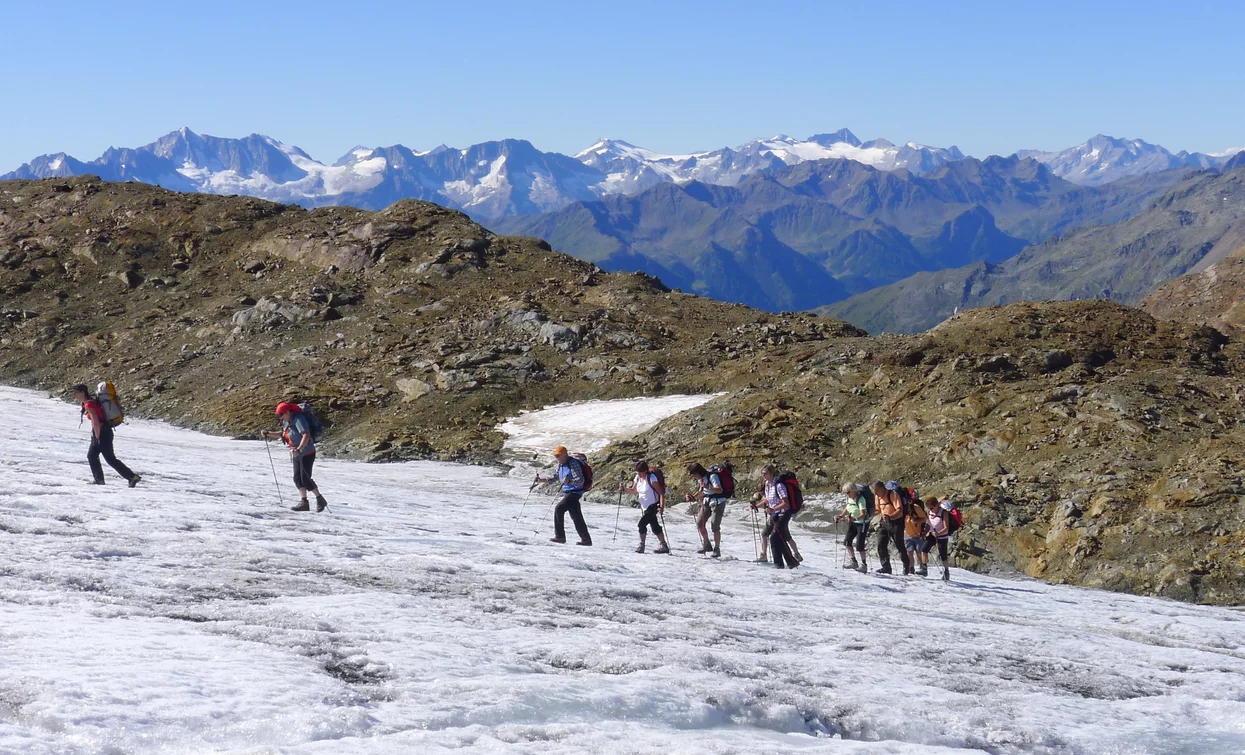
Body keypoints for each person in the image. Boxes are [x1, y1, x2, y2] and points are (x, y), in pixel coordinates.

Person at [261, 402, 327, 512]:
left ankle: (320, 499)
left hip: (306, 453)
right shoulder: (288, 421)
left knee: (305, 478)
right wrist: (268, 433)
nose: (280, 418)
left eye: (281, 415)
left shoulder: (299, 419)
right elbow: (283, 434)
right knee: (297, 479)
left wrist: (300, 448)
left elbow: (306, 434)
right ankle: (304, 502)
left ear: (288, 412)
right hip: (296, 453)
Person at [72, 383, 140, 487]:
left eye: (76, 392)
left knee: (106, 458)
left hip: (101, 432)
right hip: (105, 431)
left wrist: (97, 437)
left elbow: (95, 422)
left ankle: (131, 477)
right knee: (95, 456)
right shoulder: (91, 402)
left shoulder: (89, 404)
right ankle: (102, 480)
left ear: (82, 392)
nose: (74, 394)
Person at [534, 446, 592, 546]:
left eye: (558, 455)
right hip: (568, 492)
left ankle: (560, 536)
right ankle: (586, 540)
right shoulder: (561, 465)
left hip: (574, 492)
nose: (556, 458)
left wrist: (570, 481)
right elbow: (555, 478)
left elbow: (580, 480)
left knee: (559, 509)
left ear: (564, 454)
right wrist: (541, 480)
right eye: (555, 456)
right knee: (576, 516)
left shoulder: (573, 464)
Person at [620, 460, 669, 554]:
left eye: (640, 472)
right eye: (637, 471)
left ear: (645, 471)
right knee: (655, 527)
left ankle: (641, 546)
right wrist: (624, 489)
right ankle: (664, 545)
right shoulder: (637, 478)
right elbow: (634, 491)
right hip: (644, 507)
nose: (639, 473)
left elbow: (661, 493)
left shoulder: (652, 478)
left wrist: (662, 507)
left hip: (653, 506)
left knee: (641, 525)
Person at [760, 465, 798, 569]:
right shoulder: (767, 484)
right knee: (779, 538)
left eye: (766, 473)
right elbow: (767, 499)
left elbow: (786, 503)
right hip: (775, 514)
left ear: (771, 473)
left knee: (774, 537)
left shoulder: (779, 485)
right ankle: (791, 562)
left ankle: (779, 564)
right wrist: (756, 505)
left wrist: (773, 509)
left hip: (784, 514)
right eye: (762, 473)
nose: (763, 475)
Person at [687, 463, 725, 557]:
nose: (694, 477)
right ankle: (707, 544)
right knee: (699, 523)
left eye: (694, 474)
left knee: (715, 526)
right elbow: (701, 490)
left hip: (718, 502)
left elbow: (719, 490)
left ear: (698, 472)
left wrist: (709, 487)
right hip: (707, 501)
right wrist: (693, 497)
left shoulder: (712, 476)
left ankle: (717, 549)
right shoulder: (701, 478)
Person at [873, 480, 911, 575]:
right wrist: (867, 513)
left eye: (876, 491)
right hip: (884, 522)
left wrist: (890, 516)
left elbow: (900, 510)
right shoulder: (878, 497)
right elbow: (877, 510)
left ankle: (906, 567)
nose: (875, 493)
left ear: (882, 488)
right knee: (881, 544)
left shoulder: (893, 495)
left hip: (896, 523)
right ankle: (886, 567)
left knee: (899, 546)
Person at [835, 482, 870, 572]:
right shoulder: (849, 498)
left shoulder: (861, 499)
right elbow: (847, 508)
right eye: (846, 493)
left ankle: (864, 565)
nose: (847, 494)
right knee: (847, 542)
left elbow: (863, 514)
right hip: (853, 523)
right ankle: (854, 562)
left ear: (854, 490)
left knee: (859, 545)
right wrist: (840, 516)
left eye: (848, 492)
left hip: (862, 524)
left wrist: (855, 518)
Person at [925, 499, 953, 582]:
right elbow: (928, 523)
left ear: (937, 505)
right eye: (929, 508)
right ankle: (923, 569)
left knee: (943, 555)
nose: (930, 510)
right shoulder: (929, 511)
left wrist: (938, 533)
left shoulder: (944, 513)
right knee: (924, 549)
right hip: (932, 535)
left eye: (932, 508)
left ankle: (946, 572)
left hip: (942, 537)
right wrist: (924, 532)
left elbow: (946, 527)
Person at [905, 496, 931, 577]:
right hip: (907, 534)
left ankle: (922, 567)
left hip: (918, 534)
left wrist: (916, 521)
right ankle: (911, 568)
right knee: (909, 552)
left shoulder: (916, 508)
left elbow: (925, 518)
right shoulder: (902, 509)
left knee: (919, 552)